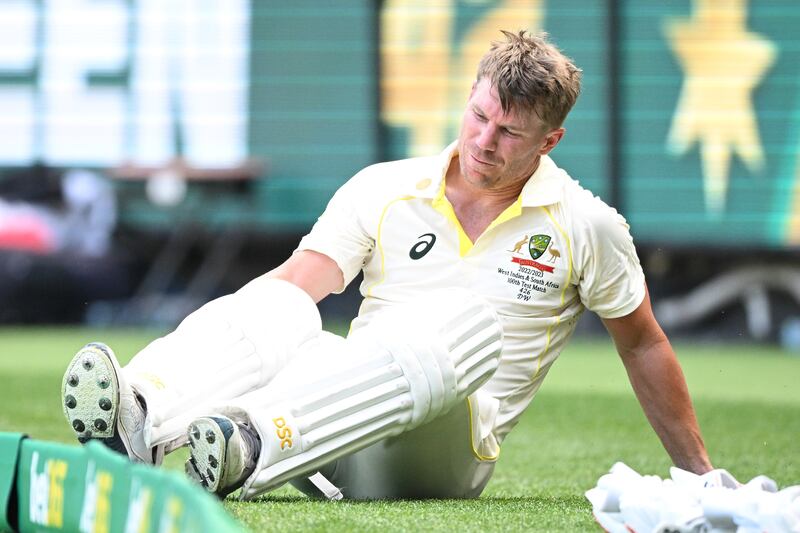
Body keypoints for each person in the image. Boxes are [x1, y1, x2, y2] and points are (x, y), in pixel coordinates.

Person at [61, 30, 713, 501]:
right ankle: (145, 415)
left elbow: (644, 343)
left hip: (443, 457)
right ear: (468, 99)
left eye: (509, 133)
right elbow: (293, 289)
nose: (484, 141)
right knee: (287, 299)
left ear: (551, 140)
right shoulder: (384, 185)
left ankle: (251, 441)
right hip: (332, 427)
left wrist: (700, 476)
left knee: (465, 322)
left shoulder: (586, 224)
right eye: (479, 116)